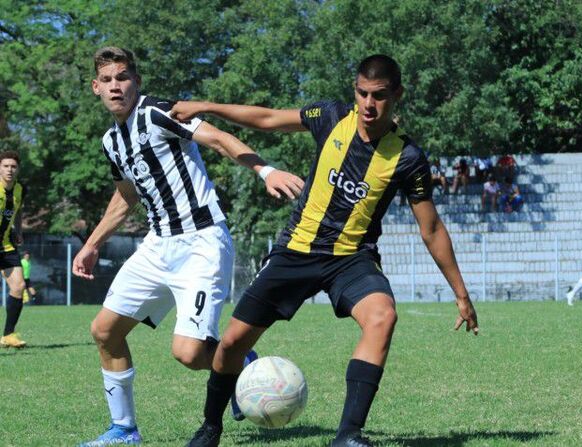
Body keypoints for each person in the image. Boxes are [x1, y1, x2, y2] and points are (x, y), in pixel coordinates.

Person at [171, 54, 479, 447]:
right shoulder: (331, 116)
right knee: (231, 342)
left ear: (397, 94)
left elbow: (431, 228)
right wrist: (206, 106)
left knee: (383, 316)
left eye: (379, 96)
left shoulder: (408, 158)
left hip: (351, 258)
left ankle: (348, 436)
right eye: (362, 93)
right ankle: (210, 428)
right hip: (296, 250)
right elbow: (267, 119)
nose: (369, 104)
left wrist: (461, 294)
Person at [74, 47, 304, 446]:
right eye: (108, 80)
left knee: (189, 353)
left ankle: (239, 362)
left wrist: (264, 170)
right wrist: (92, 243)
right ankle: (124, 430)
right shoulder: (112, 141)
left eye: (124, 77)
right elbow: (125, 195)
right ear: (96, 88)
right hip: (157, 246)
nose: (116, 86)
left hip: (201, 242)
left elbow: (217, 138)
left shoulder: (159, 112)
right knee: (105, 331)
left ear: (136, 82)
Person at [0, 151, 27, 349]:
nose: (9, 170)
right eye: (6, 166)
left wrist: (18, 229)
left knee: (18, 287)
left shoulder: (20, 189)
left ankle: (8, 335)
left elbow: (18, 211)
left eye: (13, 166)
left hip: (6, 246)